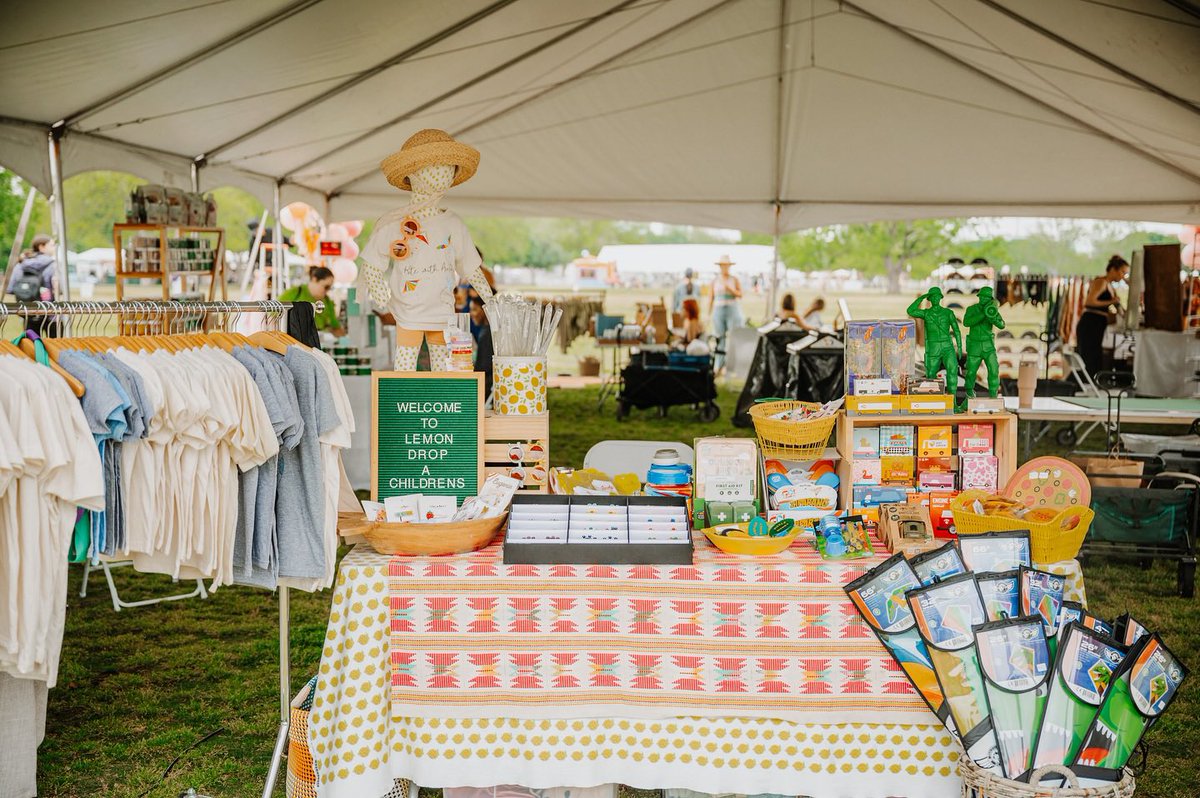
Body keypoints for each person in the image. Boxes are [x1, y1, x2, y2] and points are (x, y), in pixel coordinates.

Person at [1075, 255, 1128, 377]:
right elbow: (1089, 302)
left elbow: (1117, 307)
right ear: (1113, 269)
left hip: (1099, 325)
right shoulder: (1101, 282)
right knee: (1089, 356)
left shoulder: (1111, 286)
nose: (1122, 276)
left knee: (1095, 356)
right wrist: (1111, 302)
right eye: (1122, 272)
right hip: (1090, 324)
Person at [907, 287, 963, 400]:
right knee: (931, 374)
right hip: (933, 346)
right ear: (930, 299)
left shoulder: (948, 312)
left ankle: (953, 402)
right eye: (933, 297)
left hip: (947, 345)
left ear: (940, 298)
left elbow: (956, 330)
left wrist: (960, 346)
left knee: (952, 371)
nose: (935, 299)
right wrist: (922, 298)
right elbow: (910, 310)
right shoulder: (926, 313)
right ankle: (932, 400)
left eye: (937, 297)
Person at [7, 234, 58, 335]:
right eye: (52, 245)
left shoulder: (21, 263)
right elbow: (58, 289)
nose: (54, 248)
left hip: (28, 311)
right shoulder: (53, 265)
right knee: (55, 347)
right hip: (50, 312)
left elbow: (11, 288)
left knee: (31, 346)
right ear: (41, 246)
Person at [279, 266, 346, 337]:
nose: (328, 290)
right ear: (314, 279)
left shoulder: (328, 301)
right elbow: (273, 315)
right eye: (326, 287)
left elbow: (335, 326)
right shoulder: (294, 293)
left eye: (330, 288)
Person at [708, 254, 744, 371]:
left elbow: (740, 294)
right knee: (720, 338)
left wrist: (730, 289)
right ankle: (719, 365)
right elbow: (711, 298)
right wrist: (709, 314)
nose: (724, 268)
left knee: (733, 337)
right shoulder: (715, 281)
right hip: (719, 310)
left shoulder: (734, 279)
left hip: (732, 309)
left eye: (726, 266)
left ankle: (733, 365)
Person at [470, 295, 494, 398]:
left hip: (485, 390)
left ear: (485, 310)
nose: (471, 314)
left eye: (475, 309)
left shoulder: (486, 334)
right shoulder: (489, 331)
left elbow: (483, 367)